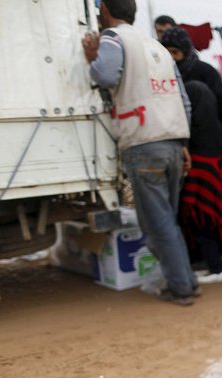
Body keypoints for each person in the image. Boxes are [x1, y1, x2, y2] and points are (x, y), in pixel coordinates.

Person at [81, 0, 198, 305]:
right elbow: (182, 99)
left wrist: (93, 59)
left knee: (157, 223)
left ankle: (182, 288)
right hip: (172, 140)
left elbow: (105, 77)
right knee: (167, 219)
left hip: (143, 142)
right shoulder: (156, 45)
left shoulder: (112, 38)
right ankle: (186, 281)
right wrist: (183, 143)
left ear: (105, 11)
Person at [179, 81, 222, 285]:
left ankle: (216, 268)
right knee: (208, 224)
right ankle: (213, 265)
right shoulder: (217, 128)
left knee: (203, 224)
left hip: (200, 181)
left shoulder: (193, 133)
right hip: (213, 181)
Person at [159, 26, 222, 124]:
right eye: (166, 52)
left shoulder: (206, 72)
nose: (170, 56)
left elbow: (220, 104)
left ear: (184, 51)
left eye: (174, 52)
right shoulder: (161, 72)